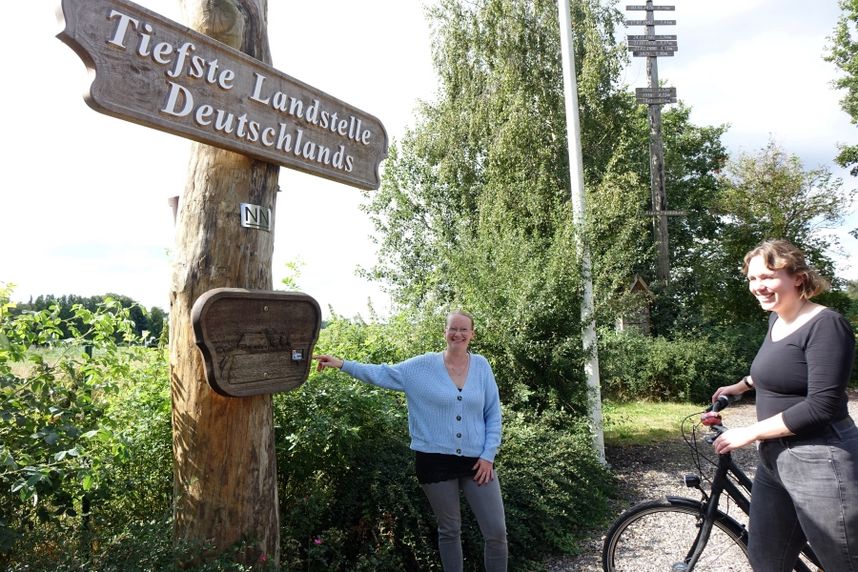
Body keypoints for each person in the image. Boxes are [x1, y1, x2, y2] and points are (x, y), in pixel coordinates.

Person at [314, 310, 508, 572]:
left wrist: (488, 455)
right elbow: (382, 374)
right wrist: (342, 364)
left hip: (478, 462)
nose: (458, 334)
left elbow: (493, 415)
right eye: (453, 328)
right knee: (450, 530)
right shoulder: (422, 367)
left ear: (472, 334)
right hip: (434, 461)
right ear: (445, 332)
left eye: (464, 329)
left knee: (496, 532)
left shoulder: (482, 366)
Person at [711, 239, 858, 571]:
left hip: (822, 460)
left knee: (843, 562)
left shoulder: (826, 325)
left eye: (768, 277)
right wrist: (740, 386)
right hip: (775, 462)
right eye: (752, 278)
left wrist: (749, 432)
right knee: (767, 561)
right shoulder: (776, 320)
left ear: (798, 278)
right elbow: (779, 371)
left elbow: (822, 405)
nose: (758, 286)